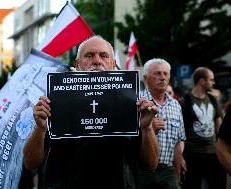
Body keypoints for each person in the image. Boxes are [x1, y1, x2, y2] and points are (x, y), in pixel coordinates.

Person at [23, 35, 159, 189]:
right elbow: (30, 163)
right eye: (89, 55)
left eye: (103, 55)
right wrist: (40, 129)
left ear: (113, 64)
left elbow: (151, 164)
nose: (97, 60)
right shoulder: (57, 101)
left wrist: (147, 128)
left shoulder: (130, 103)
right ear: (77, 64)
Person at [137, 58, 186, 189]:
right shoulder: (136, 102)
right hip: (141, 170)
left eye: (165, 74)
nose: (162, 77)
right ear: (146, 77)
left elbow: (179, 139)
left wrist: (178, 165)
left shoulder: (175, 104)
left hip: (168, 170)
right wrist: (148, 129)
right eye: (157, 73)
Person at [179, 67, 226, 189]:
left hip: (212, 153)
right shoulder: (185, 102)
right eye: (211, 80)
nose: (213, 83)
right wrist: (180, 156)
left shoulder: (213, 100)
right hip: (192, 154)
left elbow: (219, 127)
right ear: (201, 81)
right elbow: (179, 131)